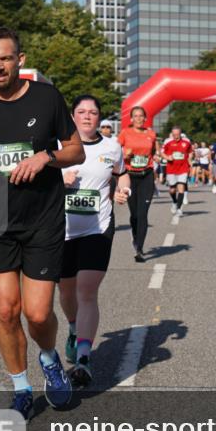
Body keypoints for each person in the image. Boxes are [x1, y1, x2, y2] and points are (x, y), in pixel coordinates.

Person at [0, 26, 84, 419]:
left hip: (42, 218)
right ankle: (21, 387)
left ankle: (49, 358)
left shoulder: (46, 98)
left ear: (19, 60)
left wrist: (46, 157)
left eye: (5, 58)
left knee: (38, 314)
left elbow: (75, 150)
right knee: (6, 311)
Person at [59, 95, 130, 387]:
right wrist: (58, 180)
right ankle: (74, 328)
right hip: (61, 230)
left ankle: (84, 359)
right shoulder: (58, 145)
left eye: (93, 112)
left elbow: (122, 176)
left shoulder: (112, 147)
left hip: (98, 227)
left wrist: (123, 191)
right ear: (72, 116)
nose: (87, 116)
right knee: (66, 292)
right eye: (81, 112)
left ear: (100, 117)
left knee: (87, 290)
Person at [117, 106, 157, 262]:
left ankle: (139, 248)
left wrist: (154, 162)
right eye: (135, 116)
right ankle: (135, 238)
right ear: (131, 119)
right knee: (134, 214)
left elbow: (152, 152)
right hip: (130, 177)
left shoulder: (151, 134)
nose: (139, 118)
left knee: (142, 213)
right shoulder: (125, 133)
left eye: (141, 116)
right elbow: (114, 151)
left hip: (146, 175)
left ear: (145, 118)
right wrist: (124, 154)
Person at [162, 125, 192, 215]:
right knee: (172, 190)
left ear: (180, 133)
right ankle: (174, 202)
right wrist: (167, 157)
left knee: (181, 188)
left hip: (183, 168)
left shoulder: (186, 142)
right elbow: (162, 152)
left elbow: (190, 152)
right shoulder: (168, 142)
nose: (176, 136)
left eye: (177, 134)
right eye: (174, 134)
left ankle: (179, 209)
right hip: (171, 169)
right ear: (172, 134)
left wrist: (190, 160)